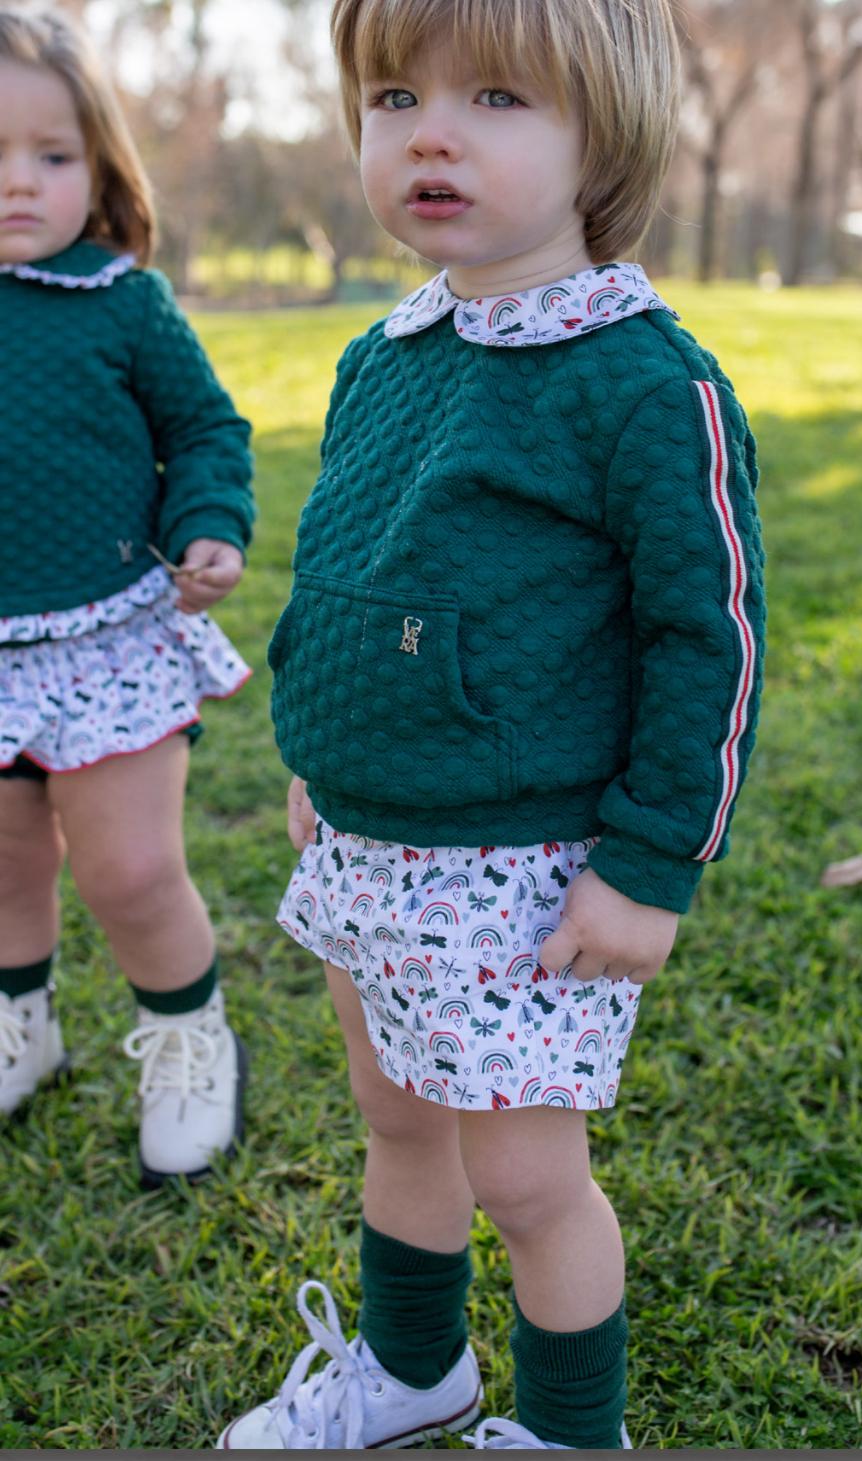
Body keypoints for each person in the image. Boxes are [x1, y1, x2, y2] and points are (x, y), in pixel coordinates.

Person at [219, 0, 764, 1448]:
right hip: (370, 841)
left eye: (500, 98)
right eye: (394, 96)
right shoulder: (380, 356)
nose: (431, 130)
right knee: (397, 1119)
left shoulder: (645, 380)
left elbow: (709, 645)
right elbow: (344, 574)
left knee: (526, 1178)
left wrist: (651, 864)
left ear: (608, 136)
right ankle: (412, 1369)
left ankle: (576, 1431)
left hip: (525, 872)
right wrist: (313, 759)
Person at [0, 6, 255, 1187]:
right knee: (5, 863)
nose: (19, 184)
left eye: (50, 156)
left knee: (130, 871)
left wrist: (207, 521)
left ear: (98, 165)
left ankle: (190, 1041)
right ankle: (24, 1028)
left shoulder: (121, 302)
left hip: (106, 634)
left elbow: (203, 426)